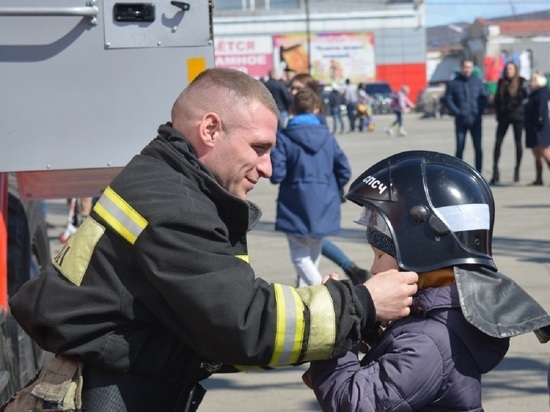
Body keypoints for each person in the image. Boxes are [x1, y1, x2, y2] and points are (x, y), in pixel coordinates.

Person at [6, 68, 419, 411]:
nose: (268, 168)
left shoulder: (165, 182)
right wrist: (362, 303)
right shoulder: (173, 204)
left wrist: (333, 316)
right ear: (210, 129)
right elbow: (245, 323)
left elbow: (218, 323)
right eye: (259, 148)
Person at [304, 150, 550, 411]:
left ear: (420, 253)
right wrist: (375, 336)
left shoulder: (426, 343)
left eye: (378, 255)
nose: (374, 269)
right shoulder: (435, 320)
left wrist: (339, 324)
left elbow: (352, 403)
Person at [289, 72, 371, 282]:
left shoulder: (312, 123)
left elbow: (328, 159)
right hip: (311, 189)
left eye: (297, 88)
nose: (292, 91)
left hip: (313, 190)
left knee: (305, 243)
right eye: (292, 88)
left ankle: (341, 274)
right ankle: (348, 270)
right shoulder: (303, 119)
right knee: (310, 241)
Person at [270, 88, 352, 287]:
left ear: (292, 110)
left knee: (300, 256)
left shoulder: (285, 137)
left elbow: (277, 174)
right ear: (316, 109)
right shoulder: (328, 137)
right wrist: (332, 187)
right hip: (325, 200)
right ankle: (307, 297)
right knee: (314, 250)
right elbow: (344, 170)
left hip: (295, 200)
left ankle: (325, 292)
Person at [444, 58, 488, 173]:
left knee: (478, 148)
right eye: (465, 67)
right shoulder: (454, 83)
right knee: (460, 148)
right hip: (461, 121)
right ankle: (457, 173)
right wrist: (457, 112)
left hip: (476, 120)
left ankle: (479, 173)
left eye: (469, 67)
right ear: (461, 68)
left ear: (472, 68)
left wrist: (480, 111)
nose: (467, 69)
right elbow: (448, 99)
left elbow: (484, 98)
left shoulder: (478, 82)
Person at [490, 61, 529, 184]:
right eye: (507, 69)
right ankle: (495, 170)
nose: (508, 71)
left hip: (517, 117)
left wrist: (518, 108)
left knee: (518, 143)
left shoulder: (521, 82)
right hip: (504, 117)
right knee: (498, 143)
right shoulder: (501, 82)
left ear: (515, 70)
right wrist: (498, 112)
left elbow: (525, 98)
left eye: (511, 69)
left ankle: (517, 169)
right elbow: (497, 99)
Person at [524, 71, 550, 186]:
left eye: (534, 80)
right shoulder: (533, 93)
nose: (531, 82)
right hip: (532, 127)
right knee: (536, 154)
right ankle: (539, 178)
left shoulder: (542, 92)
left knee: (545, 152)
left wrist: (539, 121)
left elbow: (542, 109)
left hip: (540, 127)